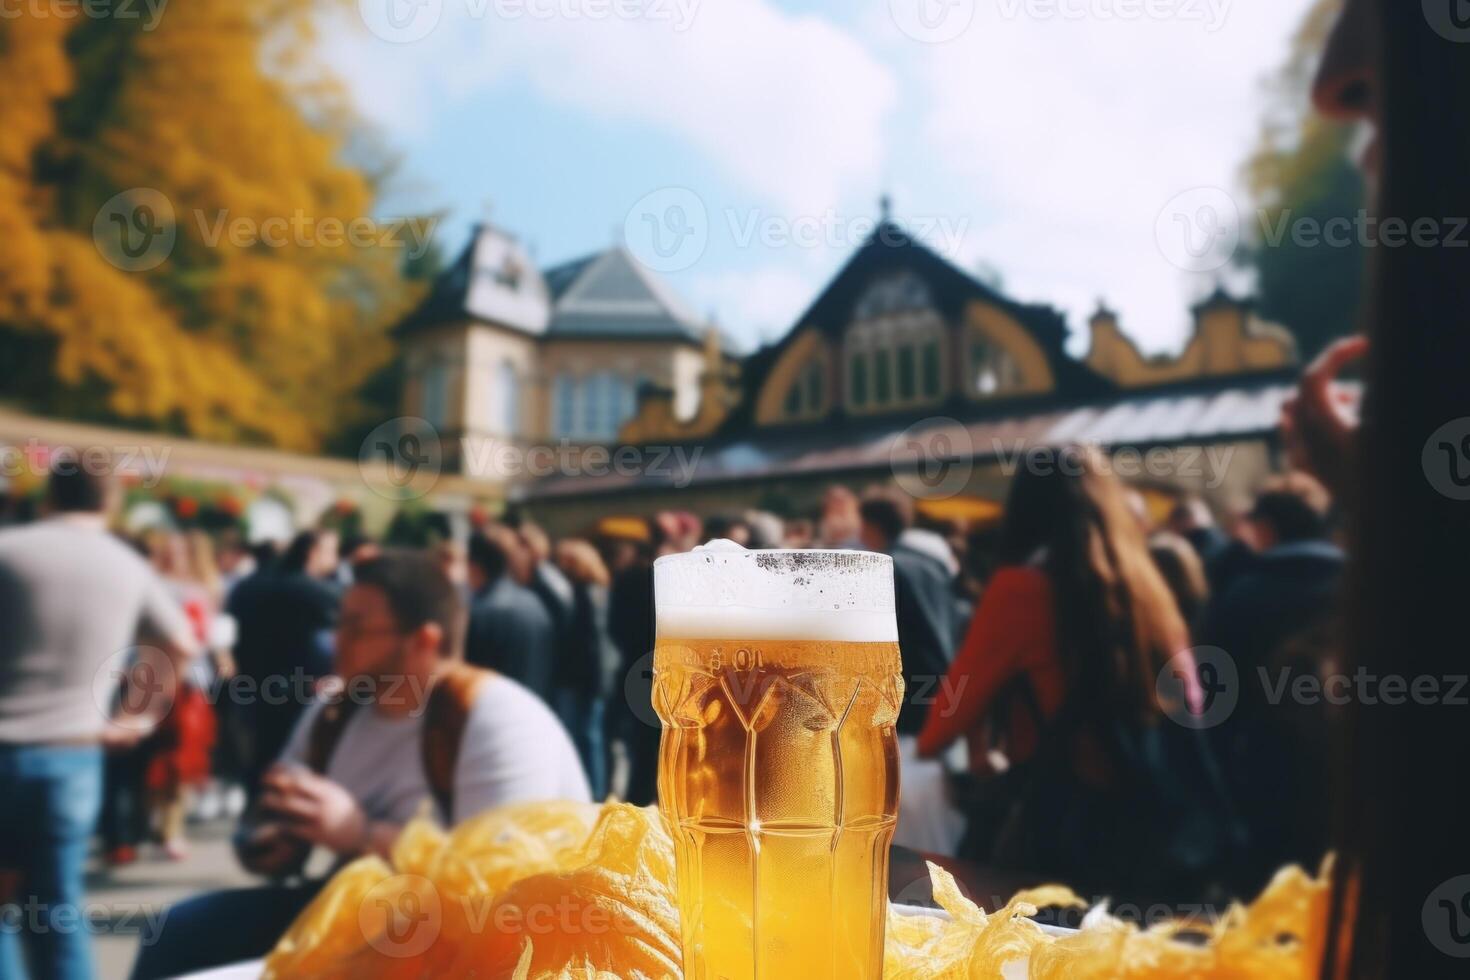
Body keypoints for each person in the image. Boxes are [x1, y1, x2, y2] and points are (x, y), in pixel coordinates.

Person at [132, 550, 589, 979]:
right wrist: (272, 839)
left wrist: (359, 832)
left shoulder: (497, 717)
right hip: (370, 916)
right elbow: (271, 836)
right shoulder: (334, 710)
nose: (336, 641)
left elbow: (497, 893)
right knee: (178, 933)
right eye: (339, 623)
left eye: (357, 627)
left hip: (484, 946)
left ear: (423, 641)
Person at [917, 446, 1236, 903]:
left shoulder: (1019, 590)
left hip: (1066, 844)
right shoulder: (1147, 588)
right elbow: (1191, 705)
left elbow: (937, 732)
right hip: (1156, 837)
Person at [0, 455, 198, 980]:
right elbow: (180, 642)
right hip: (73, 751)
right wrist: (136, 717)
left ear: (49, 496)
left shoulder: (10, 551)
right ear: (112, 502)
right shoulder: (125, 564)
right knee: (58, 904)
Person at [857, 490, 962, 854]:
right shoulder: (933, 567)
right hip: (942, 703)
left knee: (907, 842)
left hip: (905, 714)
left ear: (869, 526)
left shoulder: (888, 569)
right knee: (939, 832)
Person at [226, 528, 340, 796]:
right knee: (290, 761)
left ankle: (253, 815)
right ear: (313, 553)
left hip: (250, 684)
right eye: (331, 552)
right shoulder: (319, 594)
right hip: (297, 691)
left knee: (257, 758)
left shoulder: (248, 585)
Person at [553, 538, 622, 800]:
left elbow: (591, 642)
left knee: (587, 738)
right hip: (597, 678)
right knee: (594, 737)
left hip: (583, 679)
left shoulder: (584, 593)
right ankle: (597, 793)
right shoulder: (601, 590)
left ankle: (593, 795)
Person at [464, 527, 557, 703]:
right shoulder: (536, 603)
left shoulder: (480, 612)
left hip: (494, 714)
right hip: (535, 709)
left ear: (473, 566)